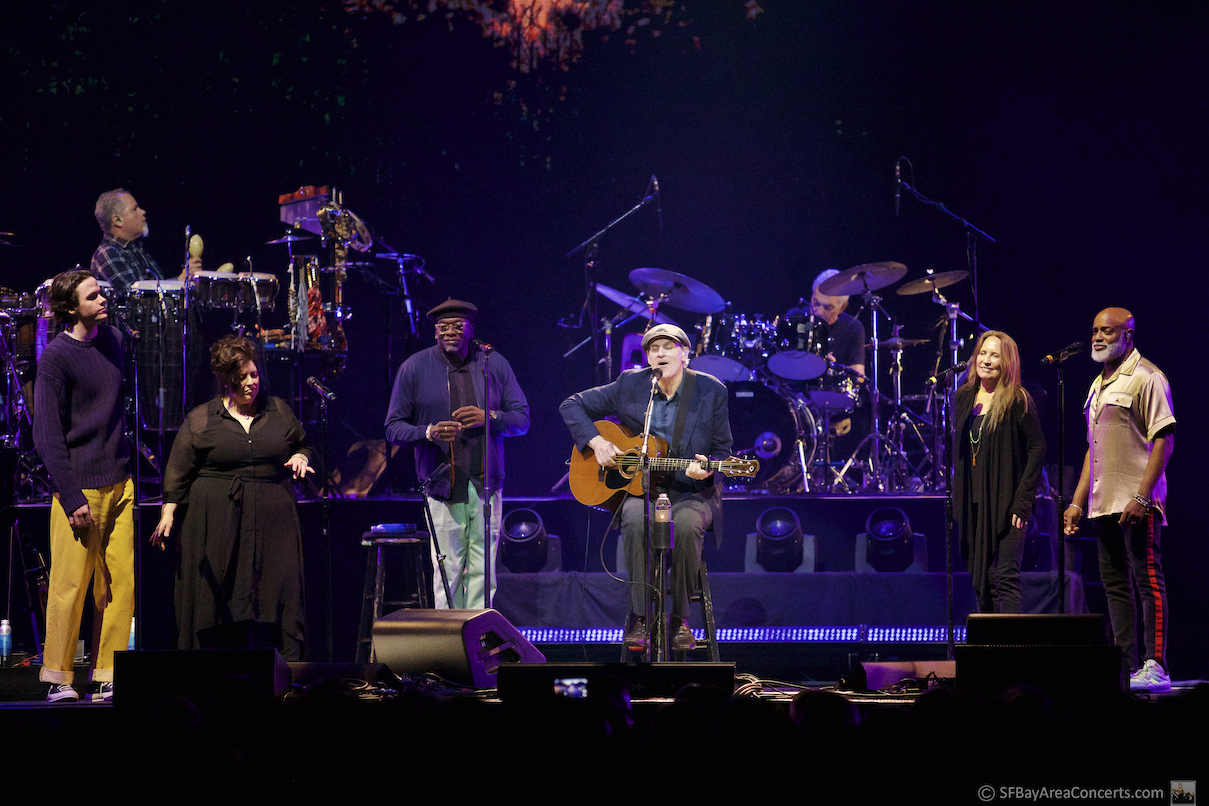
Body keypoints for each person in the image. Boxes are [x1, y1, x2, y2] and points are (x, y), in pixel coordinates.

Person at [560, 323, 733, 652]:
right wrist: (596, 442)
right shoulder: (631, 383)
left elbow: (723, 451)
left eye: (668, 347)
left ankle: (680, 620)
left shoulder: (711, 390)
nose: (661, 354)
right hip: (641, 490)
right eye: (654, 349)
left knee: (686, 525)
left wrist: (707, 469)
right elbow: (571, 404)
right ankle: (641, 617)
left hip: (690, 491)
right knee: (634, 520)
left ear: (685, 353)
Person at [151, 335, 314, 660]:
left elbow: (303, 443)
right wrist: (168, 512)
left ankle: (285, 674)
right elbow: (179, 468)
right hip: (217, 522)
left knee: (277, 590)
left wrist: (301, 457)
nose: (251, 382)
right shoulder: (203, 418)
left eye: (254, 374)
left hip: (273, 523)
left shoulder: (278, 410)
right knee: (218, 596)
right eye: (242, 377)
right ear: (226, 380)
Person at [384, 299, 530, 609]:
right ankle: (448, 635)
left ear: (471, 330)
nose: (450, 332)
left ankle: (478, 631)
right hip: (441, 485)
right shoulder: (414, 367)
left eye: (458, 326)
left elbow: (522, 420)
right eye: (443, 327)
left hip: (486, 484)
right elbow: (393, 428)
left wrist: (489, 417)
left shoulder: (492, 363)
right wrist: (428, 432)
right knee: (447, 571)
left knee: (483, 572)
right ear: (435, 332)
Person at [32, 270, 134, 702]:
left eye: (101, 292)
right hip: (80, 487)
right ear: (72, 308)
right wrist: (71, 496)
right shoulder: (57, 358)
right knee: (71, 585)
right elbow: (47, 435)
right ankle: (58, 677)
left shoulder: (113, 339)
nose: (102, 299)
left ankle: (107, 671)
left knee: (119, 584)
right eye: (92, 296)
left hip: (119, 481)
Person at [1063, 308, 1175, 693]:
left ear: (1127, 335)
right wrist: (1077, 502)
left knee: (1147, 580)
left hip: (1137, 501)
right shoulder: (1097, 385)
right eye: (1095, 330)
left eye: (1107, 331)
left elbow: (1164, 440)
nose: (1097, 337)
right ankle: (1126, 666)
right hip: (1103, 503)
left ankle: (1156, 665)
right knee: (1115, 586)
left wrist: (1142, 496)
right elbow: (1092, 449)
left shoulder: (1147, 377)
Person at [951, 331, 1046, 614]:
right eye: (982, 353)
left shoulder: (1017, 399)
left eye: (995, 355)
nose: (986, 360)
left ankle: (1010, 641)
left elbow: (1038, 447)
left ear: (1007, 362)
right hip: (973, 503)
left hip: (1008, 504)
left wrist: (1023, 501)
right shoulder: (964, 396)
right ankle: (990, 640)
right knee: (982, 579)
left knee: (1004, 576)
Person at [89, 188, 201, 295]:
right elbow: (136, 298)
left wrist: (184, 278)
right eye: (135, 209)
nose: (143, 211)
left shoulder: (136, 248)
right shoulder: (108, 253)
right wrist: (180, 280)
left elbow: (157, 288)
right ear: (117, 220)